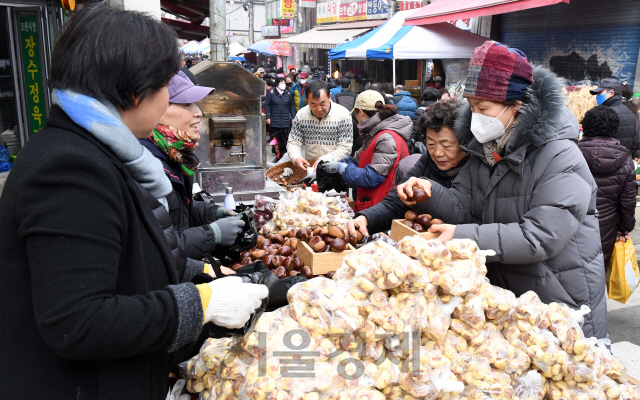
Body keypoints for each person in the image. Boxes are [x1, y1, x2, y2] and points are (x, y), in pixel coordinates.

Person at [0, 5, 268, 399]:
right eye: (164, 86)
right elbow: (79, 321)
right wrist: (202, 303)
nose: (169, 102)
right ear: (133, 90)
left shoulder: (100, 152)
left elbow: (126, 256)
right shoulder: (69, 168)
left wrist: (200, 272)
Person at [392, 41, 608, 339]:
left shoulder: (560, 156)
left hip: (560, 301)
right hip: (509, 300)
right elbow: (464, 207)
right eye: (472, 105)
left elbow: (540, 237)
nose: (475, 115)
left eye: (483, 108)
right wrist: (431, 193)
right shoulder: (486, 150)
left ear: (516, 106)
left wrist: (462, 236)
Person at [140, 71, 243, 261]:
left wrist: (210, 213)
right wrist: (211, 235)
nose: (199, 112)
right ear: (158, 107)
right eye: (187, 104)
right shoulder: (144, 164)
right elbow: (152, 247)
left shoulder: (175, 155)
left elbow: (173, 212)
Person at [348, 99, 467, 235]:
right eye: (431, 144)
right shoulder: (427, 161)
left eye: (447, 146)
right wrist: (366, 218)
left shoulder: (475, 167)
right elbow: (394, 203)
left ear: (465, 142)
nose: (438, 153)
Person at [322, 90, 410, 211]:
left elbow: (373, 177)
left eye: (356, 113)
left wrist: (342, 168)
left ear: (361, 113)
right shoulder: (374, 134)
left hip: (383, 207)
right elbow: (356, 160)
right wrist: (325, 170)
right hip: (374, 204)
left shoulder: (386, 138)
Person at [578, 106, 636, 267]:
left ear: (586, 126)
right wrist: (625, 228)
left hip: (574, 224)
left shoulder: (572, 154)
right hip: (607, 228)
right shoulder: (625, 160)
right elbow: (628, 200)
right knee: (597, 271)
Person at [287, 80, 353, 171]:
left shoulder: (343, 115)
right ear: (307, 99)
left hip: (335, 170)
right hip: (310, 169)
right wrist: (296, 157)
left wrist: (324, 160)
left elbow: (345, 147)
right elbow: (294, 141)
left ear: (329, 97)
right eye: (313, 105)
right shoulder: (302, 115)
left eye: (323, 104)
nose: (318, 109)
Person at [590, 78, 639, 154]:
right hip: (624, 161)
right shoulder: (631, 113)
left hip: (606, 161)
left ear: (611, 93)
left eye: (600, 93)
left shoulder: (604, 114)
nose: (597, 96)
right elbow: (635, 141)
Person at [264, 76, 296, 142]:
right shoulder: (272, 93)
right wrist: (268, 117)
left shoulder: (288, 93)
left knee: (285, 141)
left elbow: (292, 107)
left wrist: (293, 117)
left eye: (284, 82)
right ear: (277, 84)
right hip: (274, 121)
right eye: (281, 82)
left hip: (285, 122)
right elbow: (266, 105)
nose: (283, 84)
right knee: (275, 142)